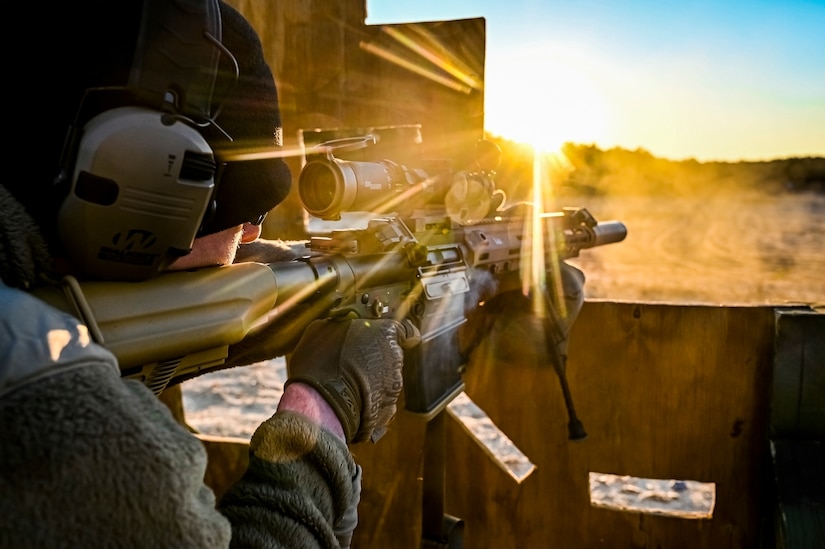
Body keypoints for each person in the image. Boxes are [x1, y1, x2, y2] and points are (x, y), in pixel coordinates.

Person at [0, 2, 413, 547]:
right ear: (138, 172)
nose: (247, 237)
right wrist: (322, 418)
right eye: (248, 213)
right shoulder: (48, 404)